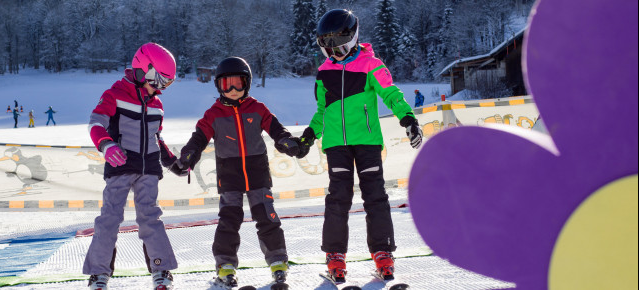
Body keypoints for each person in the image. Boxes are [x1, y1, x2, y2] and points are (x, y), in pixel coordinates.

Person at [298, 9, 423, 284]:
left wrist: (408, 118)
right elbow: (322, 111)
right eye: (329, 49)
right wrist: (309, 135)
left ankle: (383, 253)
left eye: (340, 47)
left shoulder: (370, 64)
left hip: (366, 141)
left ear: (352, 38)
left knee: (375, 196)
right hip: (336, 145)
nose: (336, 54)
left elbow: (391, 93)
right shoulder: (323, 72)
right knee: (337, 199)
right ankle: (335, 256)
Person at [169, 57, 301, 288]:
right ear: (218, 86)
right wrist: (188, 156)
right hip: (229, 176)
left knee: (267, 217)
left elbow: (277, 129)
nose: (231, 89)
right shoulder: (214, 114)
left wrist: (287, 141)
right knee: (229, 220)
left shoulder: (258, 109)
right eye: (225, 84)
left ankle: (278, 261)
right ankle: (225, 265)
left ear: (246, 84)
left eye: (237, 83)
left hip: (257, 174)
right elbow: (198, 138)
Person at [83, 42, 179, 290]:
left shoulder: (157, 104)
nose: (160, 89)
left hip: (149, 170)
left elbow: (157, 138)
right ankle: (98, 273)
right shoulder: (115, 94)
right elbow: (96, 124)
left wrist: (172, 163)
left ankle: (161, 270)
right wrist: (106, 145)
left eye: (166, 84)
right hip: (121, 165)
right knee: (110, 218)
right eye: (158, 81)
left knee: (150, 218)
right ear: (142, 69)